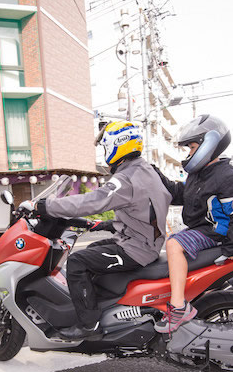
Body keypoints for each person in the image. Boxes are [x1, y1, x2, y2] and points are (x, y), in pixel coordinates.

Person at [22, 121, 172, 339]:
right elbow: (140, 210)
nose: (104, 153)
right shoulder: (144, 170)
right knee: (93, 249)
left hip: (137, 248)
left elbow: (94, 201)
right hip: (140, 241)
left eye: (105, 147)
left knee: (77, 262)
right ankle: (97, 305)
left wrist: (45, 206)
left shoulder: (126, 178)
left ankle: (88, 324)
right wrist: (105, 225)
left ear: (117, 145)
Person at [152, 114, 233, 333]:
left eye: (192, 147)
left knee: (174, 244)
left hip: (215, 233)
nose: (189, 153)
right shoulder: (200, 175)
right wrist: (155, 174)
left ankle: (178, 307)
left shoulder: (229, 177)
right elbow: (178, 194)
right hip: (203, 229)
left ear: (209, 144)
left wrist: (232, 248)